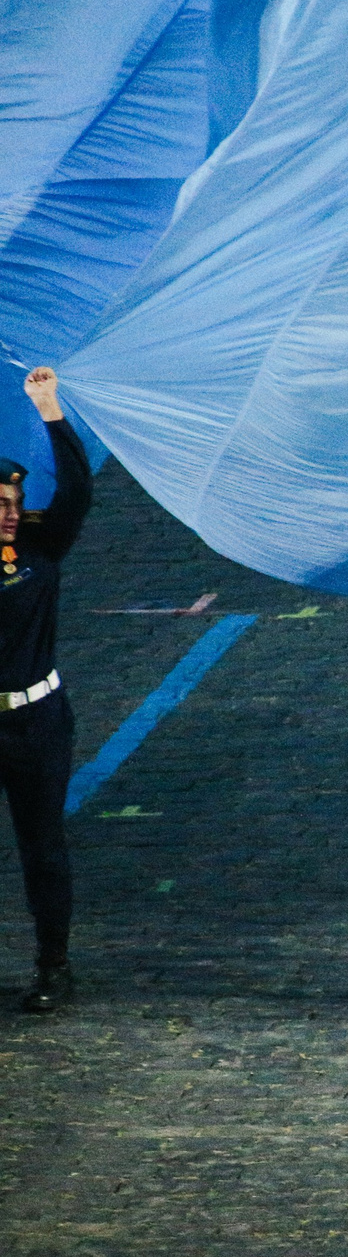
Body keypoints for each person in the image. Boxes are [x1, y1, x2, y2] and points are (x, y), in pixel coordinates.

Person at [1, 367, 92, 1014]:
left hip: (38, 721)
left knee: (42, 848)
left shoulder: (41, 544)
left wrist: (50, 410)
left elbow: (79, 492)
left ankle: (53, 966)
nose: (9, 513)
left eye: (13, 501)